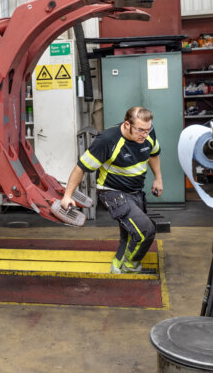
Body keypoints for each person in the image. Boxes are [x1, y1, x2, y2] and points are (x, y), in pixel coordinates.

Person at [60, 106, 163, 274]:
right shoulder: (107, 140)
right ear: (127, 124)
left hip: (136, 191)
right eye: (140, 130)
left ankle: (117, 266)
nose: (144, 134)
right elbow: (81, 168)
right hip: (112, 192)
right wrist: (67, 195)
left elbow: (153, 154)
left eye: (147, 129)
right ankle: (130, 265)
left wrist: (158, 179)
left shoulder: (148, 134)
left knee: (131, 232)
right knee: (146, 230)